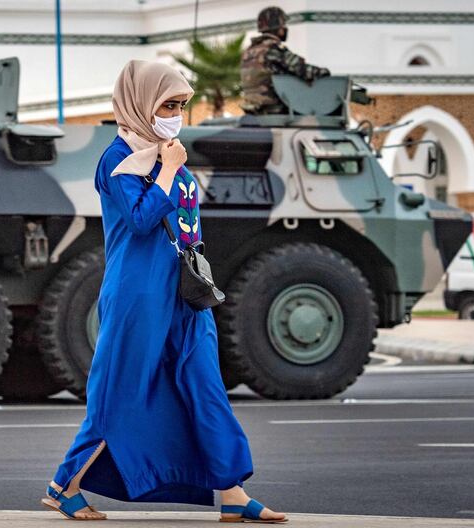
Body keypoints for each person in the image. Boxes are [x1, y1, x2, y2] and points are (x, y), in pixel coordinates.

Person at [40, 59, 287, 524]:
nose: (175, 113)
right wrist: (170, 171)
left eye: (180, 105)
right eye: (167, 104)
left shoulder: (165, 152)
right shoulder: (116, 158)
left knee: (204, 386)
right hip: (139, 296)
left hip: (186, 293)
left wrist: (171, 168)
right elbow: (139, 219)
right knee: (120, 391)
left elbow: (187, 223)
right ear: (139, 103)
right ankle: (64, 484)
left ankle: (232, 494)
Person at [241, 6, 330, 115]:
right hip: (275, 109)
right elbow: (302, 69)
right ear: (278, 27)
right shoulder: (272, 49)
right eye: (283, 25)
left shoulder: (249, 51)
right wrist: (324, 72)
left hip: (255, 109)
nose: (285, 28)